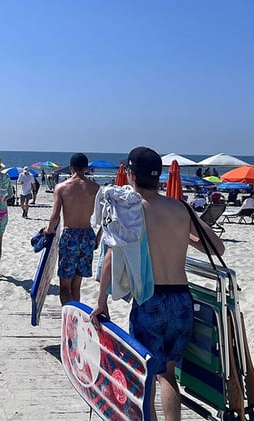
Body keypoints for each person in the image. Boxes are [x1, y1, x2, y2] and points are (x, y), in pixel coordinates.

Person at [91, 146, 225, 421]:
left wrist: (101, 301)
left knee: (146, 376)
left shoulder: (130, 209)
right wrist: (181, 236)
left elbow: (112, 255)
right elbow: (217, 248)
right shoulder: (181, 208)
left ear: (130, 174)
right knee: (168, 376)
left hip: (150, 300)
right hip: (181, 300)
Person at [45, 153, 100, 305]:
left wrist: (48, 231)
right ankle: (77, 323)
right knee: (76, 287)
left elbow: (55, 216)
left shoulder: (61, 187)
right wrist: (97, 239)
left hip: (70, 236)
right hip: (88, 235)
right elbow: (104, 218)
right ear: (87, 168)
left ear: (70, 167)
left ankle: (69, 321)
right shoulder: (96, 188)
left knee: (64, 287)